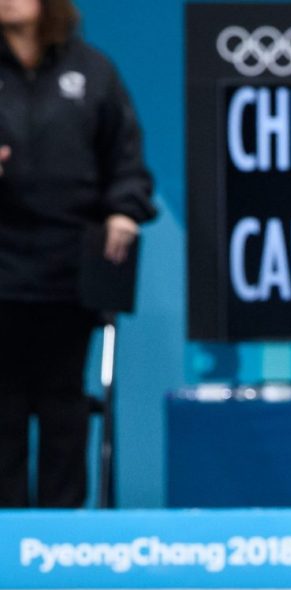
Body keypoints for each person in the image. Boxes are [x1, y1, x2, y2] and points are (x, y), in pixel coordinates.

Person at [0, 0, 154, 507]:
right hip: (4, 268)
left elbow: (127, 162)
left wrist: (124, 211)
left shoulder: (92, 71)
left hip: (70, 268)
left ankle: (59, 534)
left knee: (63, 403)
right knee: (5, 406)